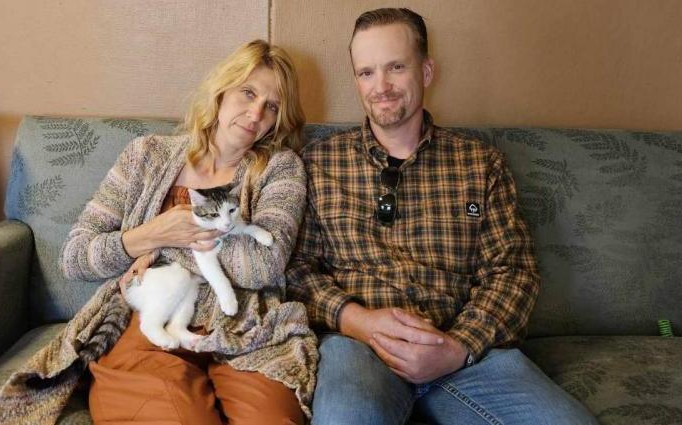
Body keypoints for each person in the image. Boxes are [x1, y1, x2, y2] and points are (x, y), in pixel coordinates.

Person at [286, 8, 597, 425]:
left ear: (427, 71)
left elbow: (514, 272)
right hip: (358, 348)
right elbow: (296, 270)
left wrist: (458, 347)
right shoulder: (319, 163)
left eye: (396, 67)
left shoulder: (480, 164)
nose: (381, 86)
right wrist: (358, 321)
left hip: (463, 353)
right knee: (348, 417)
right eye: (366, 72)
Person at [60, 39, 317, 424]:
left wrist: (164, 245)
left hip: (247, 329)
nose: (256, 113)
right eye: (248, 93)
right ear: (221, 91)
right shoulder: (145, 155)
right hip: (152, 324)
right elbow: (75, 257)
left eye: (272, 107)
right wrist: (153, 232)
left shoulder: (280, 168)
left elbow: (262, 265)